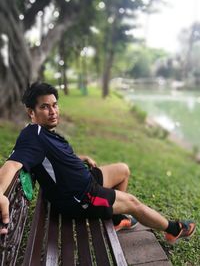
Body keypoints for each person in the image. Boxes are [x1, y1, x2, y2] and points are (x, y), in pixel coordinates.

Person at [0, 82, 196, 244]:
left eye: (55, 104)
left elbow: (52, 160)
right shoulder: (31, 137)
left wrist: (80, 159)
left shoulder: (42, 132)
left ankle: (117, 218)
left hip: (87, 180)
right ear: (31, 112)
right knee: (134, 203)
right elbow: (12, 165)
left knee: (123, 170)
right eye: (44, 106)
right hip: (82, 197)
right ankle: (173, 229)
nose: (53, 111)